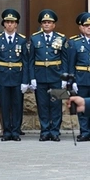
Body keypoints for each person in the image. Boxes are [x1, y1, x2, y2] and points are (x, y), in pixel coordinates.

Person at [0, 9, 30, 141]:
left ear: (16, 24)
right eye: (7, 22)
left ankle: (15, 131)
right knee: (5, 105)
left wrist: (25, 81)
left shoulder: (22, 40)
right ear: (4, 24)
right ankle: (6, 131)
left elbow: (25, 62)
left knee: (17, 105)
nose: (10, 24)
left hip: (17, 77)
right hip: (2, 77)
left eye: (12, 22)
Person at [29, 9, 68, 141]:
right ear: (41, 24)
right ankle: (45, 131)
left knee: (56, 105)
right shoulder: (35, 38)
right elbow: (31, 60)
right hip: (40, 77)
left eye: (49, 22)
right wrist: (32, 78)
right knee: (42, 105)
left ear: (53, 25)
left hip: (56, 76)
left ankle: (55, 131)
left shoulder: (61, 38)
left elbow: (65, 59)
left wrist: (65, 77)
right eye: (44, 22)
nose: (46, 24)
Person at [67, 12, 90, 142]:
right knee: (82, 105)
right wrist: (72, 80)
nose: (89, 28)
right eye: (86, 25)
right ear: (83, 27)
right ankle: (84, 132)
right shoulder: (76, 43)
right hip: (81, 79)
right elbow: (71, 63)